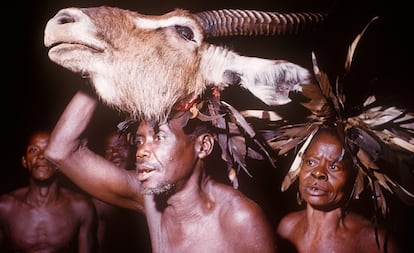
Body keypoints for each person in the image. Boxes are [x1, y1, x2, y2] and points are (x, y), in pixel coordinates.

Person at [44, 89, 277, 253]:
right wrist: (101, 75)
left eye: (159, 137)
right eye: (139, 141)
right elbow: (60, 151)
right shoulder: (151, 199)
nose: (142, 151)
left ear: (203, 146)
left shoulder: (238, 217)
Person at [276, 127, 400, 253]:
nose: (318, 173)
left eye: (334, 166)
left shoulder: (374, 242)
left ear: (354, 176)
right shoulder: (288, 227)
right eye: (311, 162)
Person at [0, 130, 98, 253]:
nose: (41, 155)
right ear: (25, 161)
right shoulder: (4, 207)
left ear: (59, 162)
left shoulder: (81, 208)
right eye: (34, 150)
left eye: (48, 150)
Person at [93, 129, 151, 253]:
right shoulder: (99, 200)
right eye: (109, 150)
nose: (115, 154)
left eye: (121, 147)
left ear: (134, 149)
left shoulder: (152, 189)